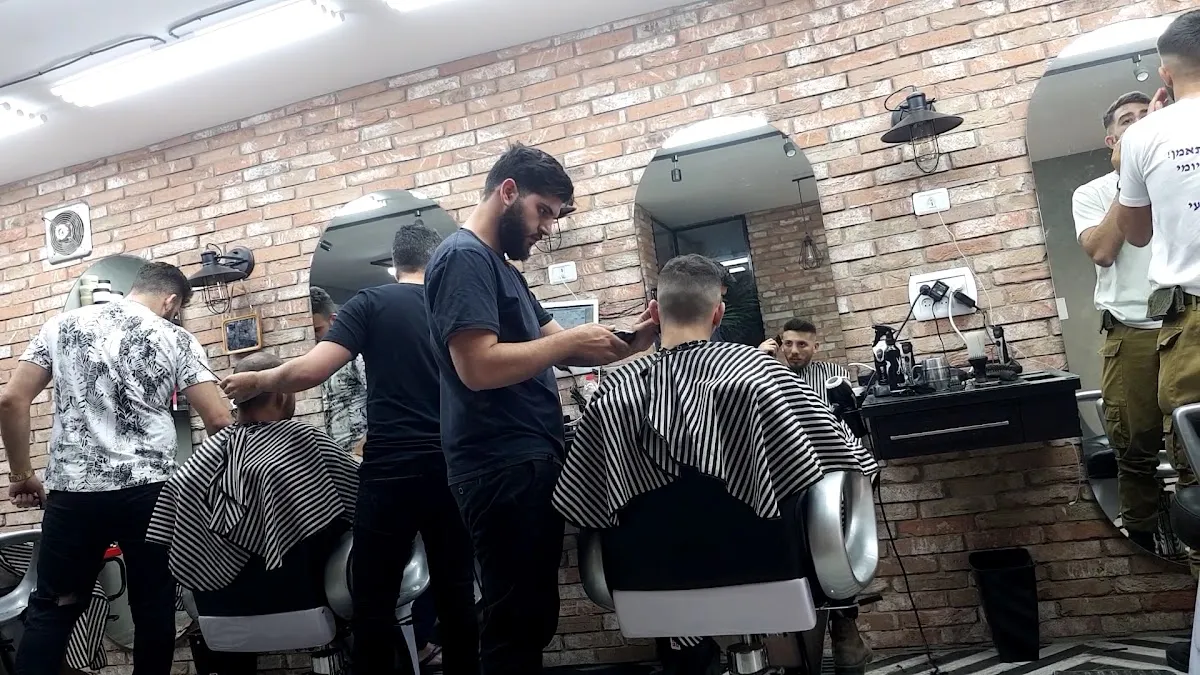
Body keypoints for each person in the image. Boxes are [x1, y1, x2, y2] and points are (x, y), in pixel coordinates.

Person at [552, 255, 878, 675]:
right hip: (772, 570)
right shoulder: (762, 375)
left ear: (653, 313)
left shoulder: (612, 394)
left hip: (648, 583)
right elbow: (848, 461)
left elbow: (585, 501)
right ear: (719, 314)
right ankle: (842, 628)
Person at [424, 143, 656, 675]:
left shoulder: (502, 269)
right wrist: (568, 340)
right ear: (508, 192)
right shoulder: (463, 258)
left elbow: (566, 347)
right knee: (514, 625)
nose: (547, 228)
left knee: (530, 619)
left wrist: (636, 338)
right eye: (543, 211)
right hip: (498, 462)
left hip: (523, 459)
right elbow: (477, 366)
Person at [221, 224, 479, 675]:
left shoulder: (370, 302)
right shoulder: (455, 305)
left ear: (395, 263)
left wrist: (258, 379)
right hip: (453, 463)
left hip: (392, 467)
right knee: (457, 593)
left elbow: (312, 370)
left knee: (373, 599)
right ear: (437, 259)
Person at [0, 262, 233, 675]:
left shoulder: (61, 326)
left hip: (75, 494)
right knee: (153, 608)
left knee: (54, 607)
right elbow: (218, 420)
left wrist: (21, 474)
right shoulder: (174, 337)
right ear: (171, 301)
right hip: (151, 494)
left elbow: (11, 400)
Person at [1112, 9, 1200, 671]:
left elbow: (1136, 235)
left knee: (1198, 480)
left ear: (1164, 72)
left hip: (1192, 323)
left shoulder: (1145, 136)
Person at [1070, 92, 1166, 553]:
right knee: (1133, 447)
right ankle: (1146, 543)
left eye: (1147, 115)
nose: (1140, 122)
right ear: (1112, 141)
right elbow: (1103, 251)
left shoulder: (1182, 173)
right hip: (1130, 332)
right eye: (1128, 120)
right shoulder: (1091, 193)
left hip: (1188, 320)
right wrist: (1131, 176)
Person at [310, 286, 368, 455]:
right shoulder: (314, 361)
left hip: (363, 454)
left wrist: (364, 446)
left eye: (317, 329)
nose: (313, 336)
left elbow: (384, 400)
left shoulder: (355, 356)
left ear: (333, 320)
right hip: (336, 456)